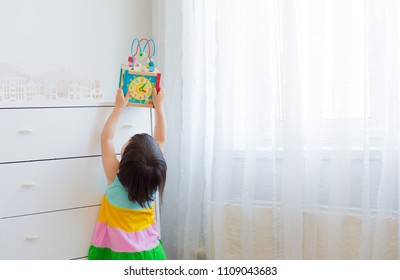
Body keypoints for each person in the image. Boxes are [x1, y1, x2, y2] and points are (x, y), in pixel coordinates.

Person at [88, 86, 167, 260]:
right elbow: (160, 139)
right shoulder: (152, 180)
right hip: (150, 253)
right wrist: (159, 106)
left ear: (124, 157)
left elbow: (106, 139)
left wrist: (119, 107)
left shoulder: (115, 179)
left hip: (122, 255)